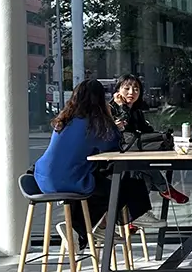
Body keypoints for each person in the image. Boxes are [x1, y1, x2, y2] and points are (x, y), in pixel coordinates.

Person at [33, 79, 154, 248]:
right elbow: (116, 145)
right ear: (99, 100)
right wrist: (110, 117)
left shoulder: (66, 119)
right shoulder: (94, 124)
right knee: (120, 184)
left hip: (42, 179)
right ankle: (79, 228)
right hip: (69, 181)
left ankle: (90, 229)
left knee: (105, 184)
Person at [110, 74, 189, 211]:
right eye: (126, 88)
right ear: (117, 91)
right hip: (115, 160)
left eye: (136, 89)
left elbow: (146, 131)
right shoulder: (111, 108)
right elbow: (123, 127)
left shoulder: (137, 110)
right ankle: (165, 189)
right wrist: (122, 106)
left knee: (144, 176)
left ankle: (134, 218)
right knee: (143, 169)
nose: (131, 93)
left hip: (135, 156)